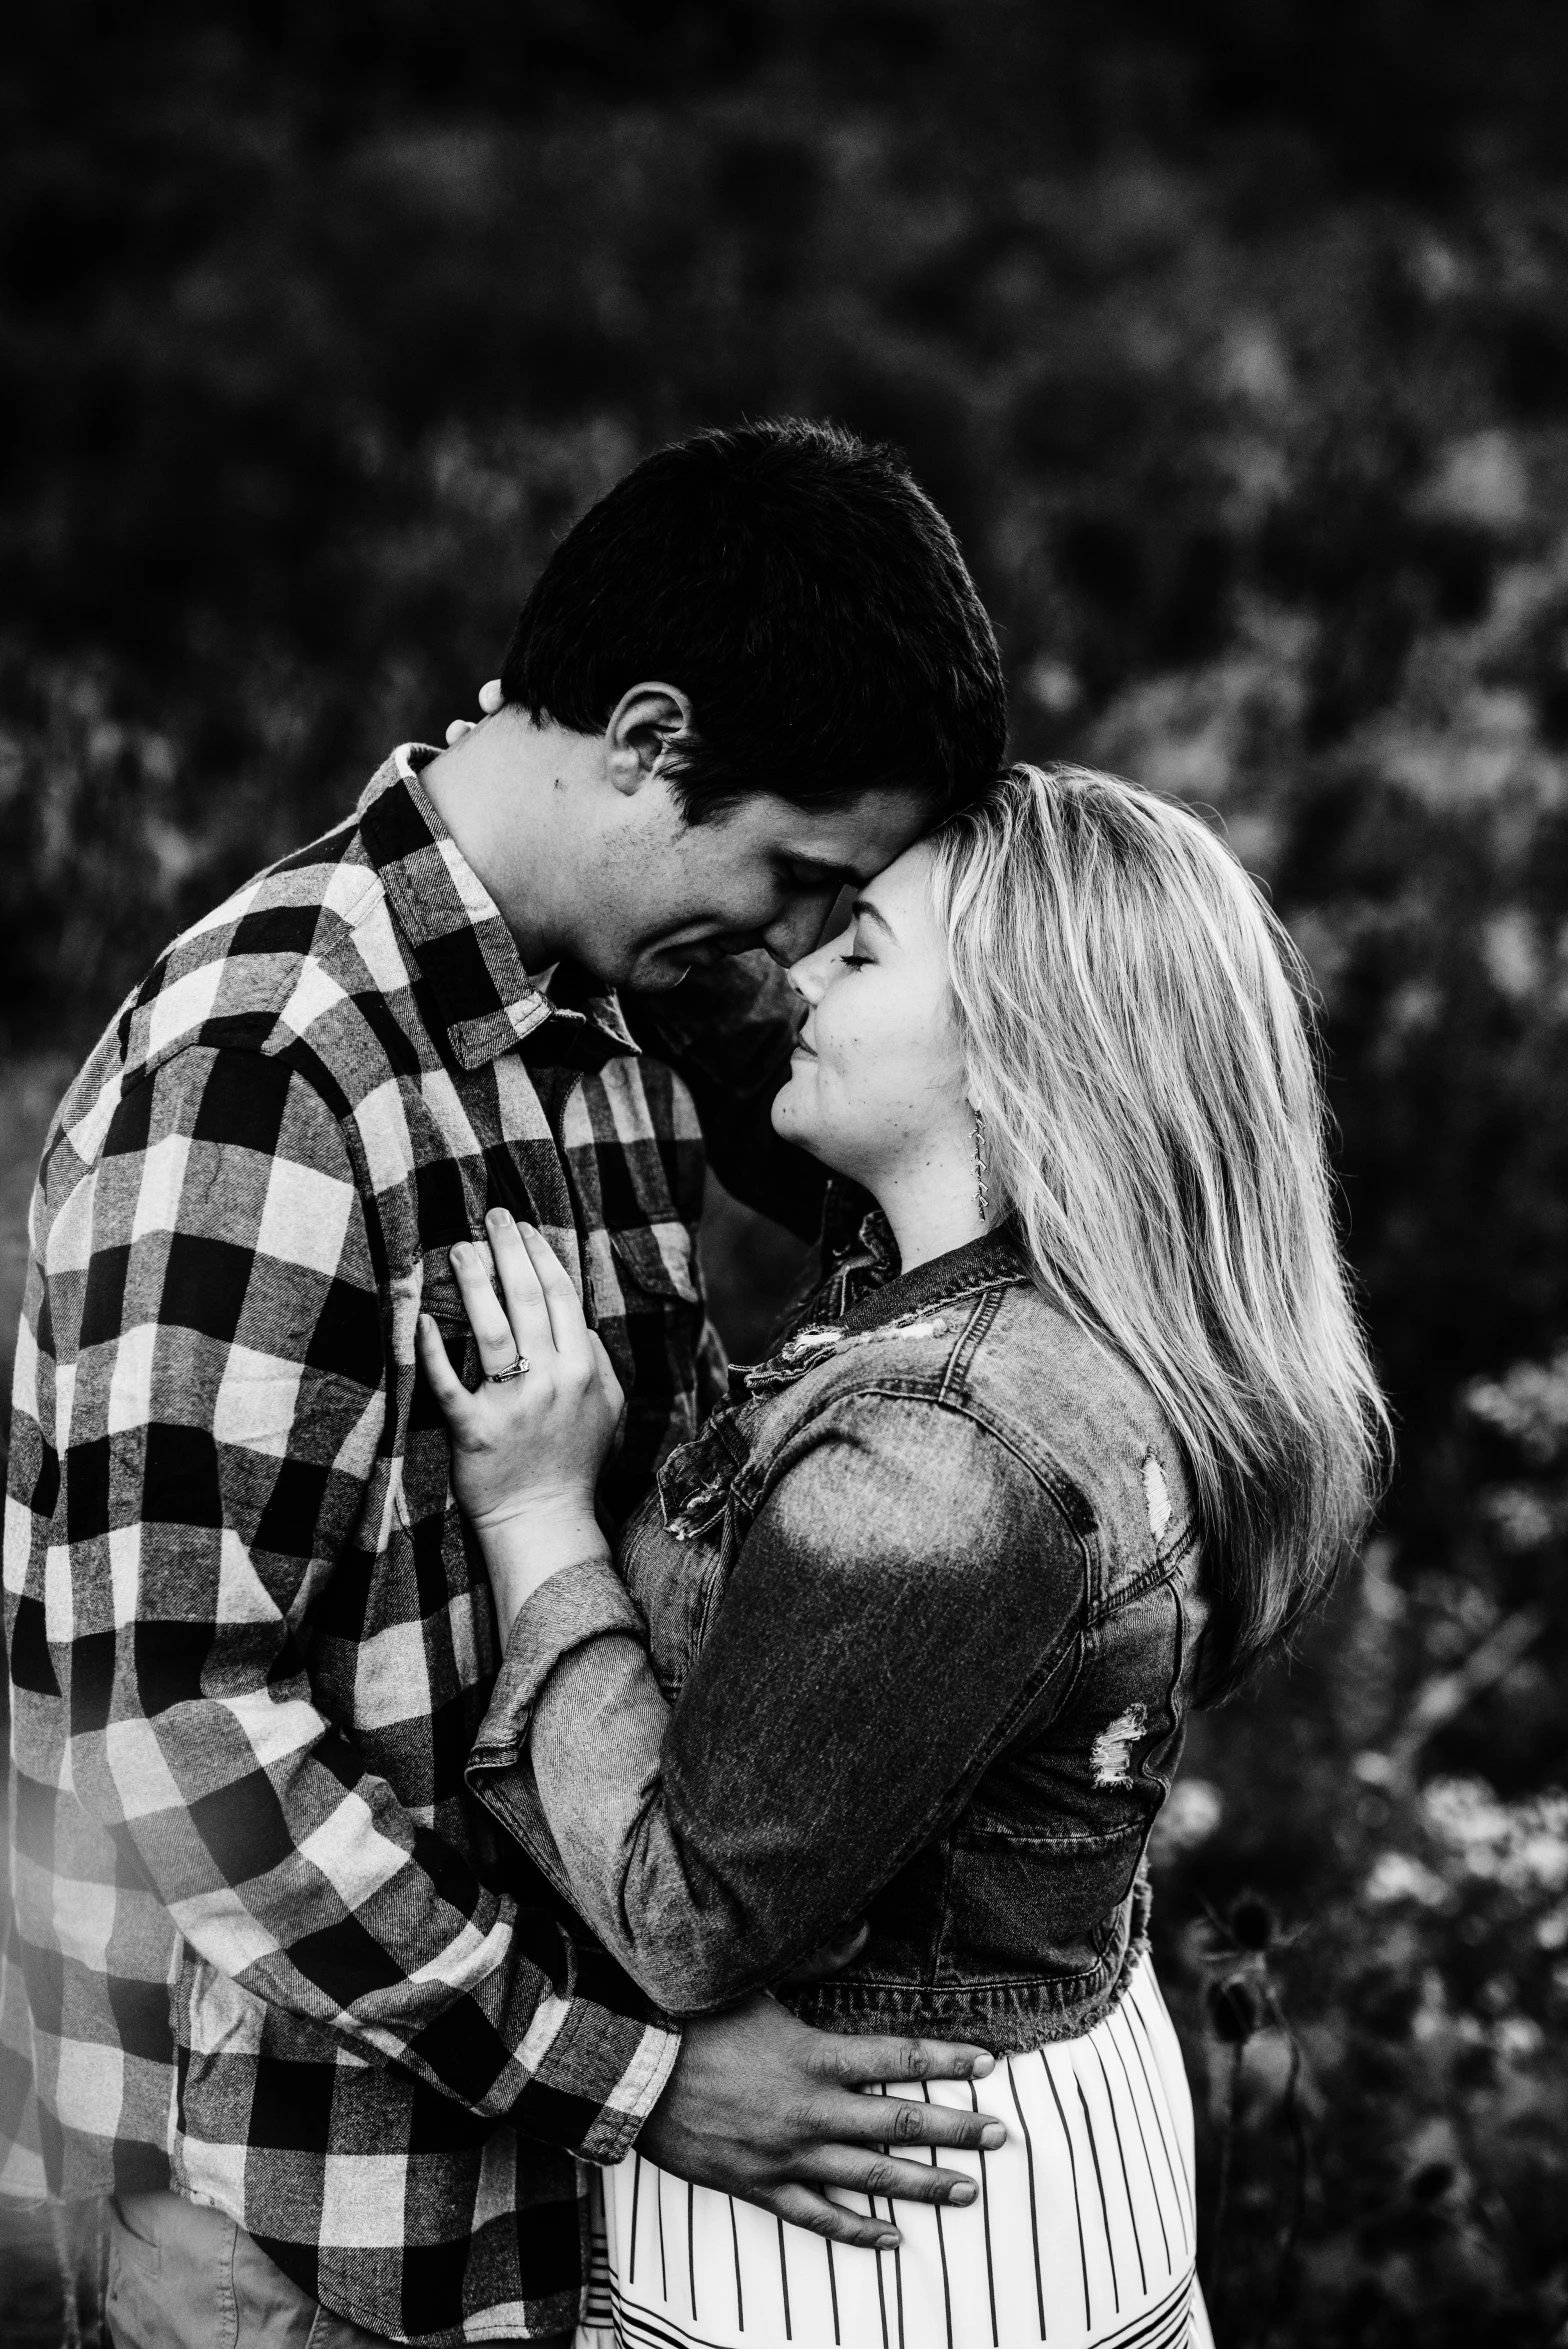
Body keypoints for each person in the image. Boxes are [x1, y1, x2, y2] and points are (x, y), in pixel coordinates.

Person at [0, 420, 1013, 2349]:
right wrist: (634, 2075)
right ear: (647, 740)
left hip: (528, 2208)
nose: (802, 946)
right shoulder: (269, 1071)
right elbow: (183, 1744)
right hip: (292, 2220)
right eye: (801, 873)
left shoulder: (615, 1039)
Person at [423, 763, 1391, 2349]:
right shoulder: (995, 1310)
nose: (800, 973)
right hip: (1001, 2165)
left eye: (859, 950)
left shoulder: (946, 1456)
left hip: (870, 2248)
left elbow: (684, 1913)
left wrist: (536, 1513)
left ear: (1019, 1057)